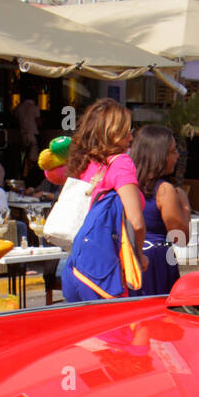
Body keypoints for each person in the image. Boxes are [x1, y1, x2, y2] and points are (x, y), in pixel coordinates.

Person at [64, 99, 146, 270]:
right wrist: (139, 256)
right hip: (106, 265)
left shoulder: (83, 162)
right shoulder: (120, 162)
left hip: (76, 262)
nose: (131, 137)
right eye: (126, 132)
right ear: (113, 134)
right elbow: (136, 222)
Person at [131, 125, 191, 296]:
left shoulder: (126, 186)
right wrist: (185, 206)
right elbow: (180, 238)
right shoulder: (164, 190)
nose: (177, 156)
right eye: (172, 151)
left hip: (129, 259)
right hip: (156, 262)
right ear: (159, 155)